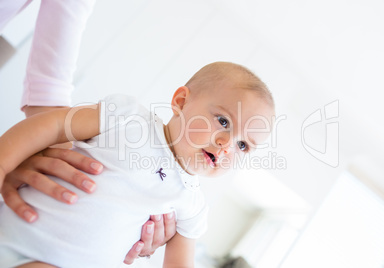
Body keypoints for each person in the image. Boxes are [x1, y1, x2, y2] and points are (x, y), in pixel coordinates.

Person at [0, 61, 275, 267]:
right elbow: (56, 125)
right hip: (12, 225)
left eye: (243, 145)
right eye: (223, 122)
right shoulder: (129, 117)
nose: (227, 144)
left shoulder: (192, 205)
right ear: (181, 101)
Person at [0, 0, 176, 263]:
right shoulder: (131, 116)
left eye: (243, 145)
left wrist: (45, 158)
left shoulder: (187, 197)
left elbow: (48, 88)